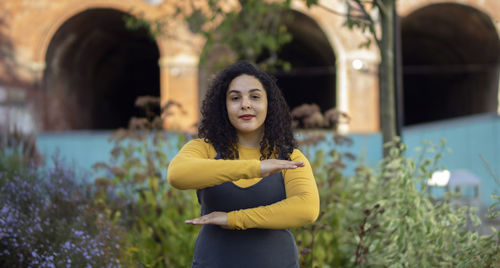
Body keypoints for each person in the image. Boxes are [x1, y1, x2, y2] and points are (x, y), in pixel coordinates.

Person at [167, 61, 320, 268]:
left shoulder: (289, 157)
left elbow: (306, 209)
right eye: (235, 98)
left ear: (269, 105)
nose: (245, 104)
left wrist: (233, 219)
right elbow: (177, 175)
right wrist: (255, 168)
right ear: (224, 106)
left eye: (255, 97)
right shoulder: (204, 149)